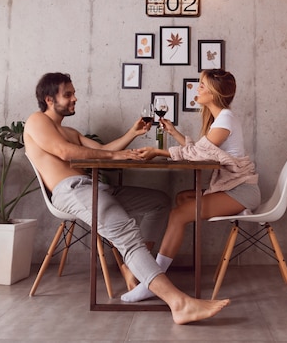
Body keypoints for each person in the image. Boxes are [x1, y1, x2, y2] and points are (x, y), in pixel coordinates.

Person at [24, 72, 230, 324]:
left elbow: (101, 151)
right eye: (68, 94)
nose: (74, 98)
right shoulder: (36, 121)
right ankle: (179, 303)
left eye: (73, 93)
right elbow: (65, 153)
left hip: (92, 187)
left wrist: (132, 134)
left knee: (159, 201)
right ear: (48, 99)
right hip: (71, 191)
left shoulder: (69, 130)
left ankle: (135, 266)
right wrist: (116, 158)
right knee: (126, 232)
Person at [123, 69, 260, 303]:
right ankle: (150, 268)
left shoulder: (225, 119)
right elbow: (201, 149)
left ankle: (152, 281)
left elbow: (197, 154)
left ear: (215, 92)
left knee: (178, 215)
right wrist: (174, 133)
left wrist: (157, 151)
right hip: (233, 188)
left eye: (202, 86)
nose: (198, 89)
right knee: (183, 198)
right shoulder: (221, 119)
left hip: (242, 191)